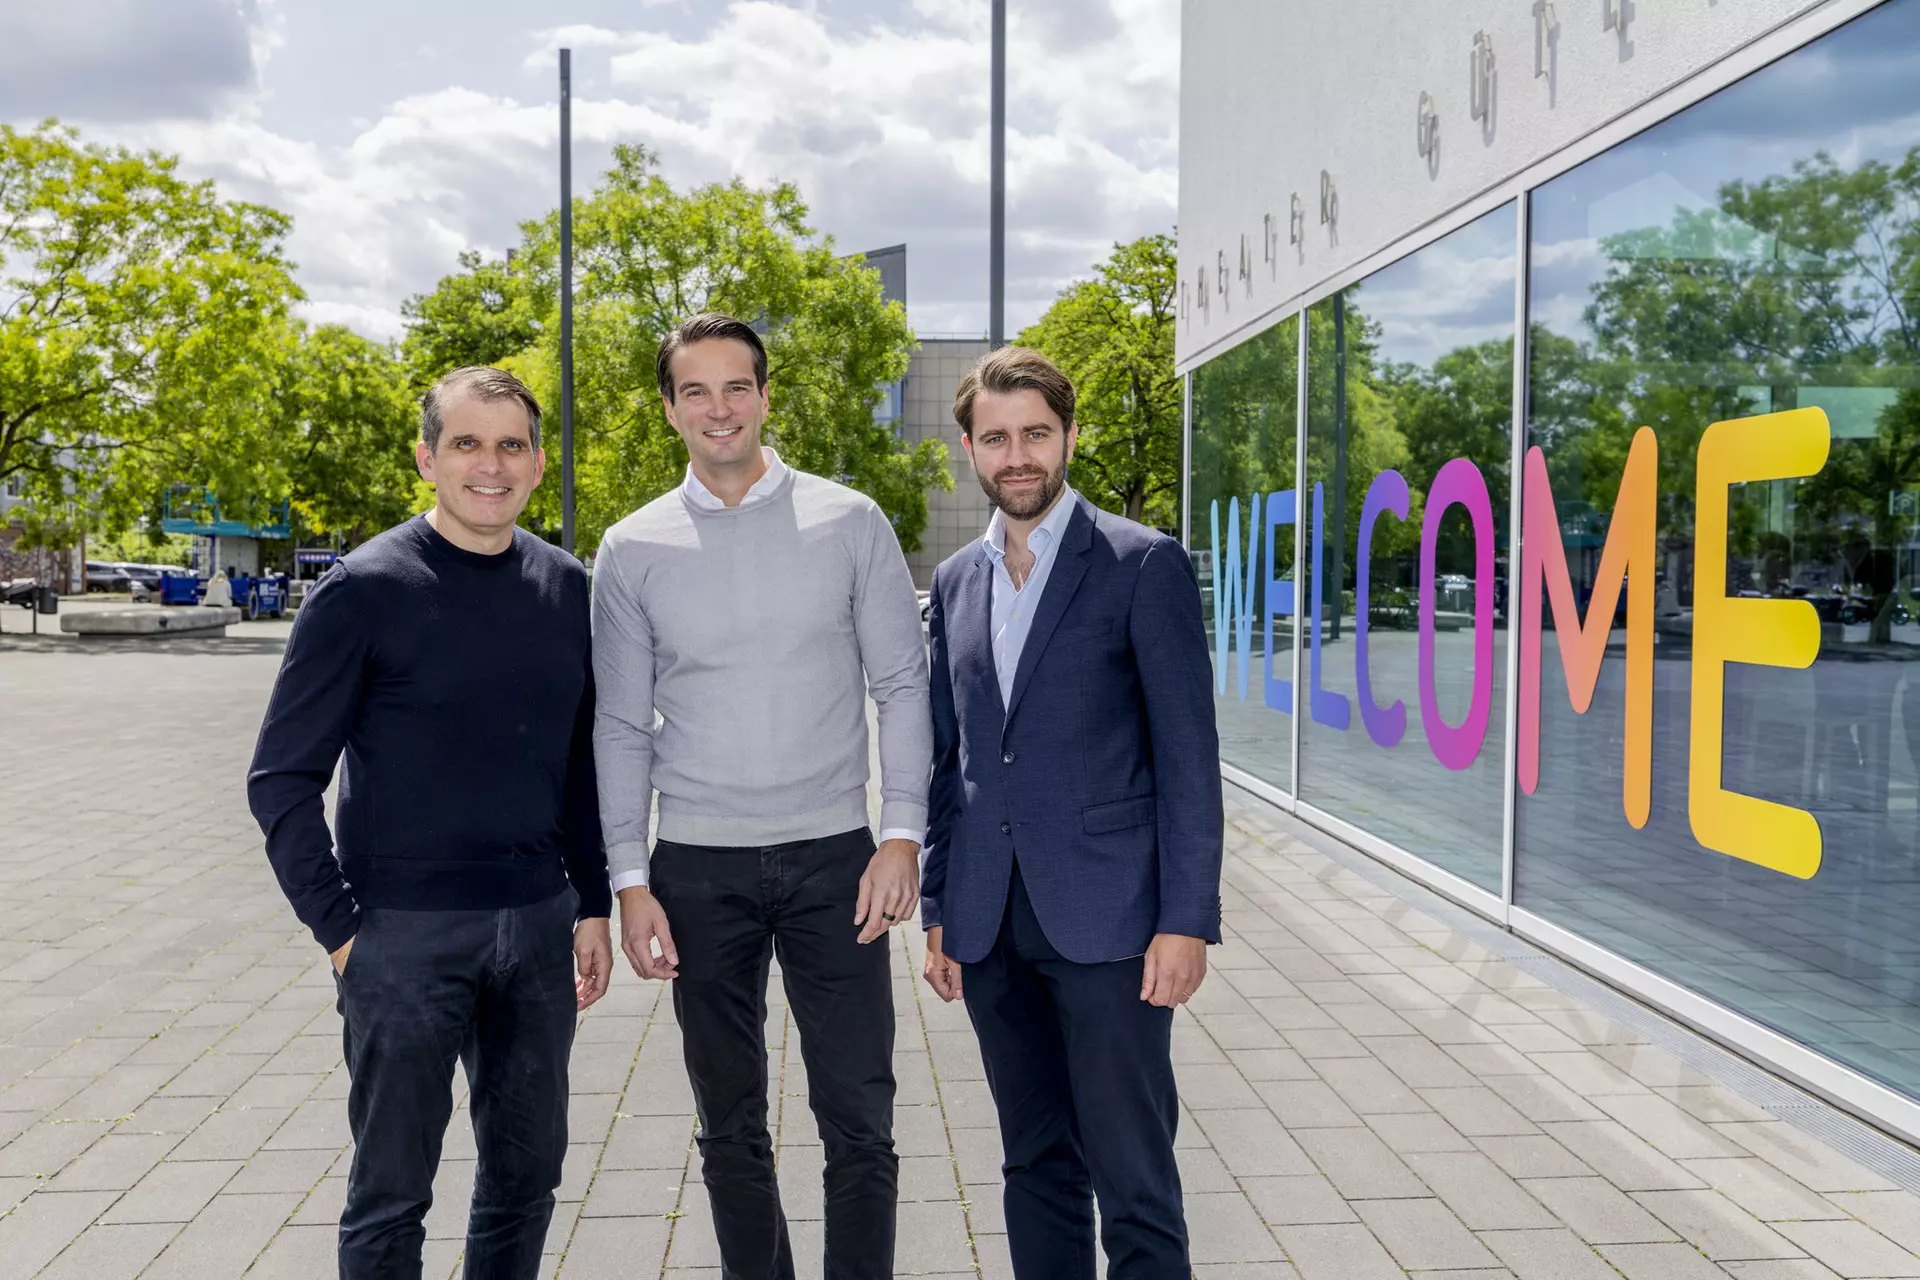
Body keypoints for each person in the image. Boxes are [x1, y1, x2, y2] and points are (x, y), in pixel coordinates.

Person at [247, 366, 613, 1280]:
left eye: (511, 445)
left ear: (535, 464)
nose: (490, 464)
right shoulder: (364, 589)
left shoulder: (568, 589)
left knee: (528, 1178)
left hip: (535, 930)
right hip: (399, 940)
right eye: (466, 443)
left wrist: (596, 901)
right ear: (427, 458)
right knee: (391, 1195)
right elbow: (281, 779)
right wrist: (341, 934)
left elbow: (582, 767)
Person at [592, 312, 930, 1279]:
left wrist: (901, 835)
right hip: (696, 870)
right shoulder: (631, 547)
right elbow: (619, 725)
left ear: (766, 395)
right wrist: (629, 881)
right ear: (668, 410)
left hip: (838, 860)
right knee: (728, 1122)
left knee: (860, 1118)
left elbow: (901, 685)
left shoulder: (849, 521)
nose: (718, 408)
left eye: (736, 386)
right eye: (694, 390)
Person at [919, 346, 1223, 1280]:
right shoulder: (956, 582)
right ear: (970, 447)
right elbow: (950, 759)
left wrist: (1186, 922)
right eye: (998, 437)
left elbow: (1188, 759)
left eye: (1037, 435)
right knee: (1033, 1162)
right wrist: (938, 908)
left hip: (1112, 922)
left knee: (1133, 1175)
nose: (1019, 456)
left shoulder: (1141, 563)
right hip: (991, 920)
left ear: (1068, 438)